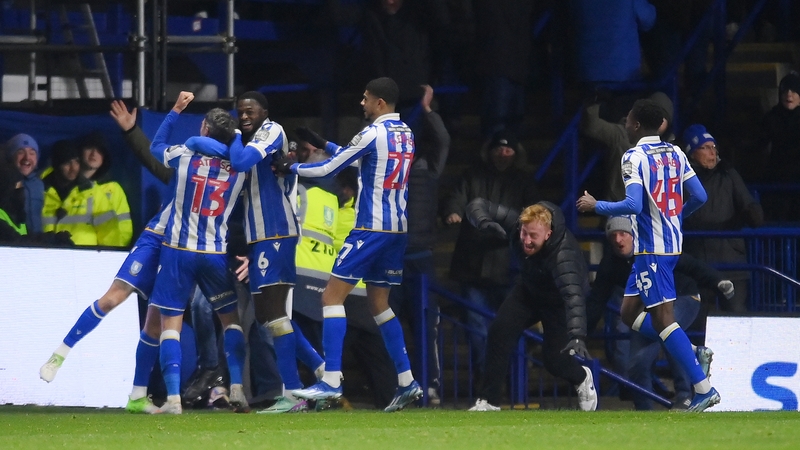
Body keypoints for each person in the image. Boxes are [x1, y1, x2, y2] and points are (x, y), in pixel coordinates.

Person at [37, 100, 211, 414]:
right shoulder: (185, 162)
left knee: (159, 323)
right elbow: (154, 153)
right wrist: (137, 128)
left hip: (182, 248)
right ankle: (59, 354)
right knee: (113, 298)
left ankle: (152, 397)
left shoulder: (227, 177)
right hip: (156, 237)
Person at [272, 77, 423, 412]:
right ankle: (407, 380)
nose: (362, 104)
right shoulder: (406, 134)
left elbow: (330, 168)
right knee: (379, 304)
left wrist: (291, 166)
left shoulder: (371, 133)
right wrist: (323, 141)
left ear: (380, 103)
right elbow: (361, 160)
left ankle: (331, 380)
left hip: (370, 227)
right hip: (398, 229)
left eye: (366, 99)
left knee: (331, 296)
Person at [576, 98, 720, 412]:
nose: (625, 124)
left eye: (627, 120)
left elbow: (633, 205)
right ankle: (691, 349)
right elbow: (700, 195)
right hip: (662, 246)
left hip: (653, 249)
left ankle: (703, 386)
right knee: (628, 313)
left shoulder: (634, 156)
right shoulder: (676, 152)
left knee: (664, 321)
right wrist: (677, 216)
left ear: (637, 125)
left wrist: (595, 206)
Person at [195, 90, 324, 414]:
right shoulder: (246, 143)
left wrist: (235, 133)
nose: (245, 116)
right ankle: (319, 376)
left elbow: (239, 162)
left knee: (274, 315)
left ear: (264, 111)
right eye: (240, 112)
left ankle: (298, 389)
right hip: (258, 239)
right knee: (269, 318)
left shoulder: (271, 131)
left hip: (277, 230)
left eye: (250, 110)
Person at [148, 91, 247, 415]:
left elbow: (155, 146)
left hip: (179, 250)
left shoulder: (184, 154)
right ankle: (236, 388)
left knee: (171, 324)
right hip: (215, 253)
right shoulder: (240, 169)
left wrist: (175, 112)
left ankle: (174, 399)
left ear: (204, 128)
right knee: (230, 321)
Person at [587, 215, 733, 410]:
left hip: (684, 297)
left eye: (623, 234)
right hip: (649, 309)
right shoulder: (611, 263)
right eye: (613, 235)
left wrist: (717, 281)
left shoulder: (655, 249)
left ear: (634, 235)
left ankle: (685, 397)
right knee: (637, 361)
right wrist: (581, 333)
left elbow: (691, 265)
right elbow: (597, 298)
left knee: (670, 333)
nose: (618, 240)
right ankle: (644, 411)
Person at [464, 200, 596, 412]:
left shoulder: (564, 256)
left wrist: (578, 335)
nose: (525, 240)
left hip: (558, 301)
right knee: (499, 331)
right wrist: (482, 222)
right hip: (529, 287)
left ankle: (582, 377)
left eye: (533, 236)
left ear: (548, 234)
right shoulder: (517, 224)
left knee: (554, 361)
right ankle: (489, 401)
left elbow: (573, 297)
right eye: (524, 233)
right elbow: (476, 204)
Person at [441, 129, 537, 376]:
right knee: (476, 327)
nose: (502, 154)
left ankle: (513, 377)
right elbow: (457, 199)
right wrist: (453, 212)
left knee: (511, 326)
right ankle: (488, 379)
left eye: (508, 149)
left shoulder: (524, 181)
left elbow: (534, 216)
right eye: (498, 149)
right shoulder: (472, 175)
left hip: (508, 267)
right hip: (472, 265)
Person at [388, 84, 448, 405]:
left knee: (426, 326)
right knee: (389, 323)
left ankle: (429, 385)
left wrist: (428, 112)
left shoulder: (428, 169)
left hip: (421, 258)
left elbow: (443, 140)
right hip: (393, 255)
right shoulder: (387, 166)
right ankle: (399, 385)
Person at [681, 124, 764, 313]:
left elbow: (751, 210)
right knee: (699, 324)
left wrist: (752, 212)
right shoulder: (679, 180)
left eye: (714, 147)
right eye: (705, 147)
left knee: (735, 321)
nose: (712, 152)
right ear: (691, 152)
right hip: (696, 265)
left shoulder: (729, 175)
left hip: (731, 263)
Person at [581, 92, 675, 202]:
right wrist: (594, 102)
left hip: (650, 213)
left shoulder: (670, 147)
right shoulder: (622, 134)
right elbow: (592, 127)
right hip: (619, 208)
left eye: (662, 120)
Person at [76, 131, 133, 247]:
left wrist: (111, 253)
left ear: (104, 157)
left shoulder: (114, 189)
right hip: (59, 252)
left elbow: (124, 229)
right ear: (80, 152)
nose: (93, 153)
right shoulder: (62, 182)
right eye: (89, 148)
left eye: (99, 151)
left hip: (99, 258)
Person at [757, 71, 800, 222]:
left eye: (794, 91)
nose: (789, 94)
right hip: (777, 184)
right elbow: (759, 146)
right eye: (785, 90)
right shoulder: (771, 118)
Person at [41, 140, 100, 245]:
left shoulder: (93, 192)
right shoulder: (39, 192)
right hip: (47, 257)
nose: (73, 168)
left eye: (76, 161)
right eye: (67, 163)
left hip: (85, 258)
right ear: (56, 165)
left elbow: (110, 231)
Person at [4, 133, 44, 233]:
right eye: (21, 152)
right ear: (11, 156)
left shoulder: (41, 185)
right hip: (13, 243)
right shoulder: (4, 184)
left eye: (32, 153)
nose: (27, 158)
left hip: (39, 244)